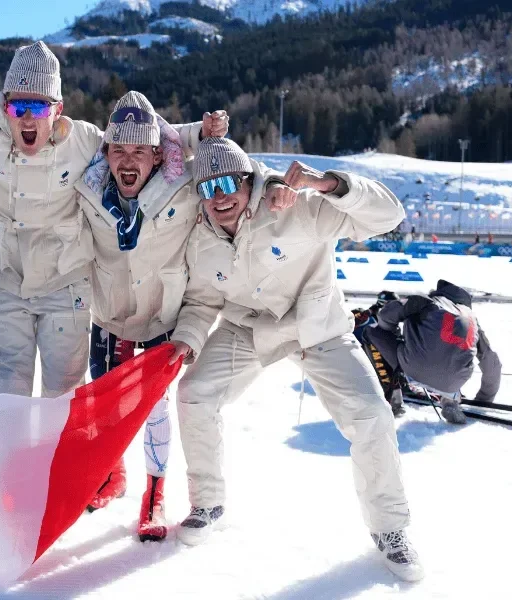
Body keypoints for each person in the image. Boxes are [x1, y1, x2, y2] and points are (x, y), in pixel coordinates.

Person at [0, 40, 227, 398]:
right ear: (5, 107)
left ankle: (56, 467)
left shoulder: (82, 140)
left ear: (58, 110)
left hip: (65, 285)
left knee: (61, 398)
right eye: (18, 108)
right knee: (5, 396)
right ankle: (7, 466)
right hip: (5, 281)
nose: (28, 118)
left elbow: (138, 136)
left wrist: (198, 134)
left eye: (40, 108)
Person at [169, 138, 422, 581]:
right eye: (208, 188)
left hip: (318, 327)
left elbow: (389, 216)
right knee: (194, 393)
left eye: (230, 182)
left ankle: (391, 529)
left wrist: (330, 185)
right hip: (247, 328)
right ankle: (207, 501)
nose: (221, 196)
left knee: (371, 415)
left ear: (249, 181)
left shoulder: (299, 206)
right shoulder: (201, 241)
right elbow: (202, 300)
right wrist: (187, 340)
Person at [74, 91, 214, 541]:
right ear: (107, 153)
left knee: (153, 410)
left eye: (139, 151)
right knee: (103, 408)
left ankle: (154, 493)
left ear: (157, 155)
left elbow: (233, 173)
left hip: (160, 320)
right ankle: (111, 475)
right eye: (119, 150)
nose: (128, 160)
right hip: (109, 319)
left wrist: (275, 188)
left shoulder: (185, 186)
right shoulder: (88, 189)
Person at [365, 279, 502, 425]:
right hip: (453, 382)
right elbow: (492, 364)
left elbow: (385, 316)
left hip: (413, 366)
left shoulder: (425, 301)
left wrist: (397, 337)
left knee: (372, 331)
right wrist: (482, 402)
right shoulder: (472, 319)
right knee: (457, 352)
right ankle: (451, 399)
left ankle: (394, 394)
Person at [352, 290, 406, 417]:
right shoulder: (367, 316)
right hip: (359, 356)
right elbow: (350, 320)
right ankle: (391, 399)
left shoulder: (391, 326)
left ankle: (397, 389)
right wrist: (367, 312)